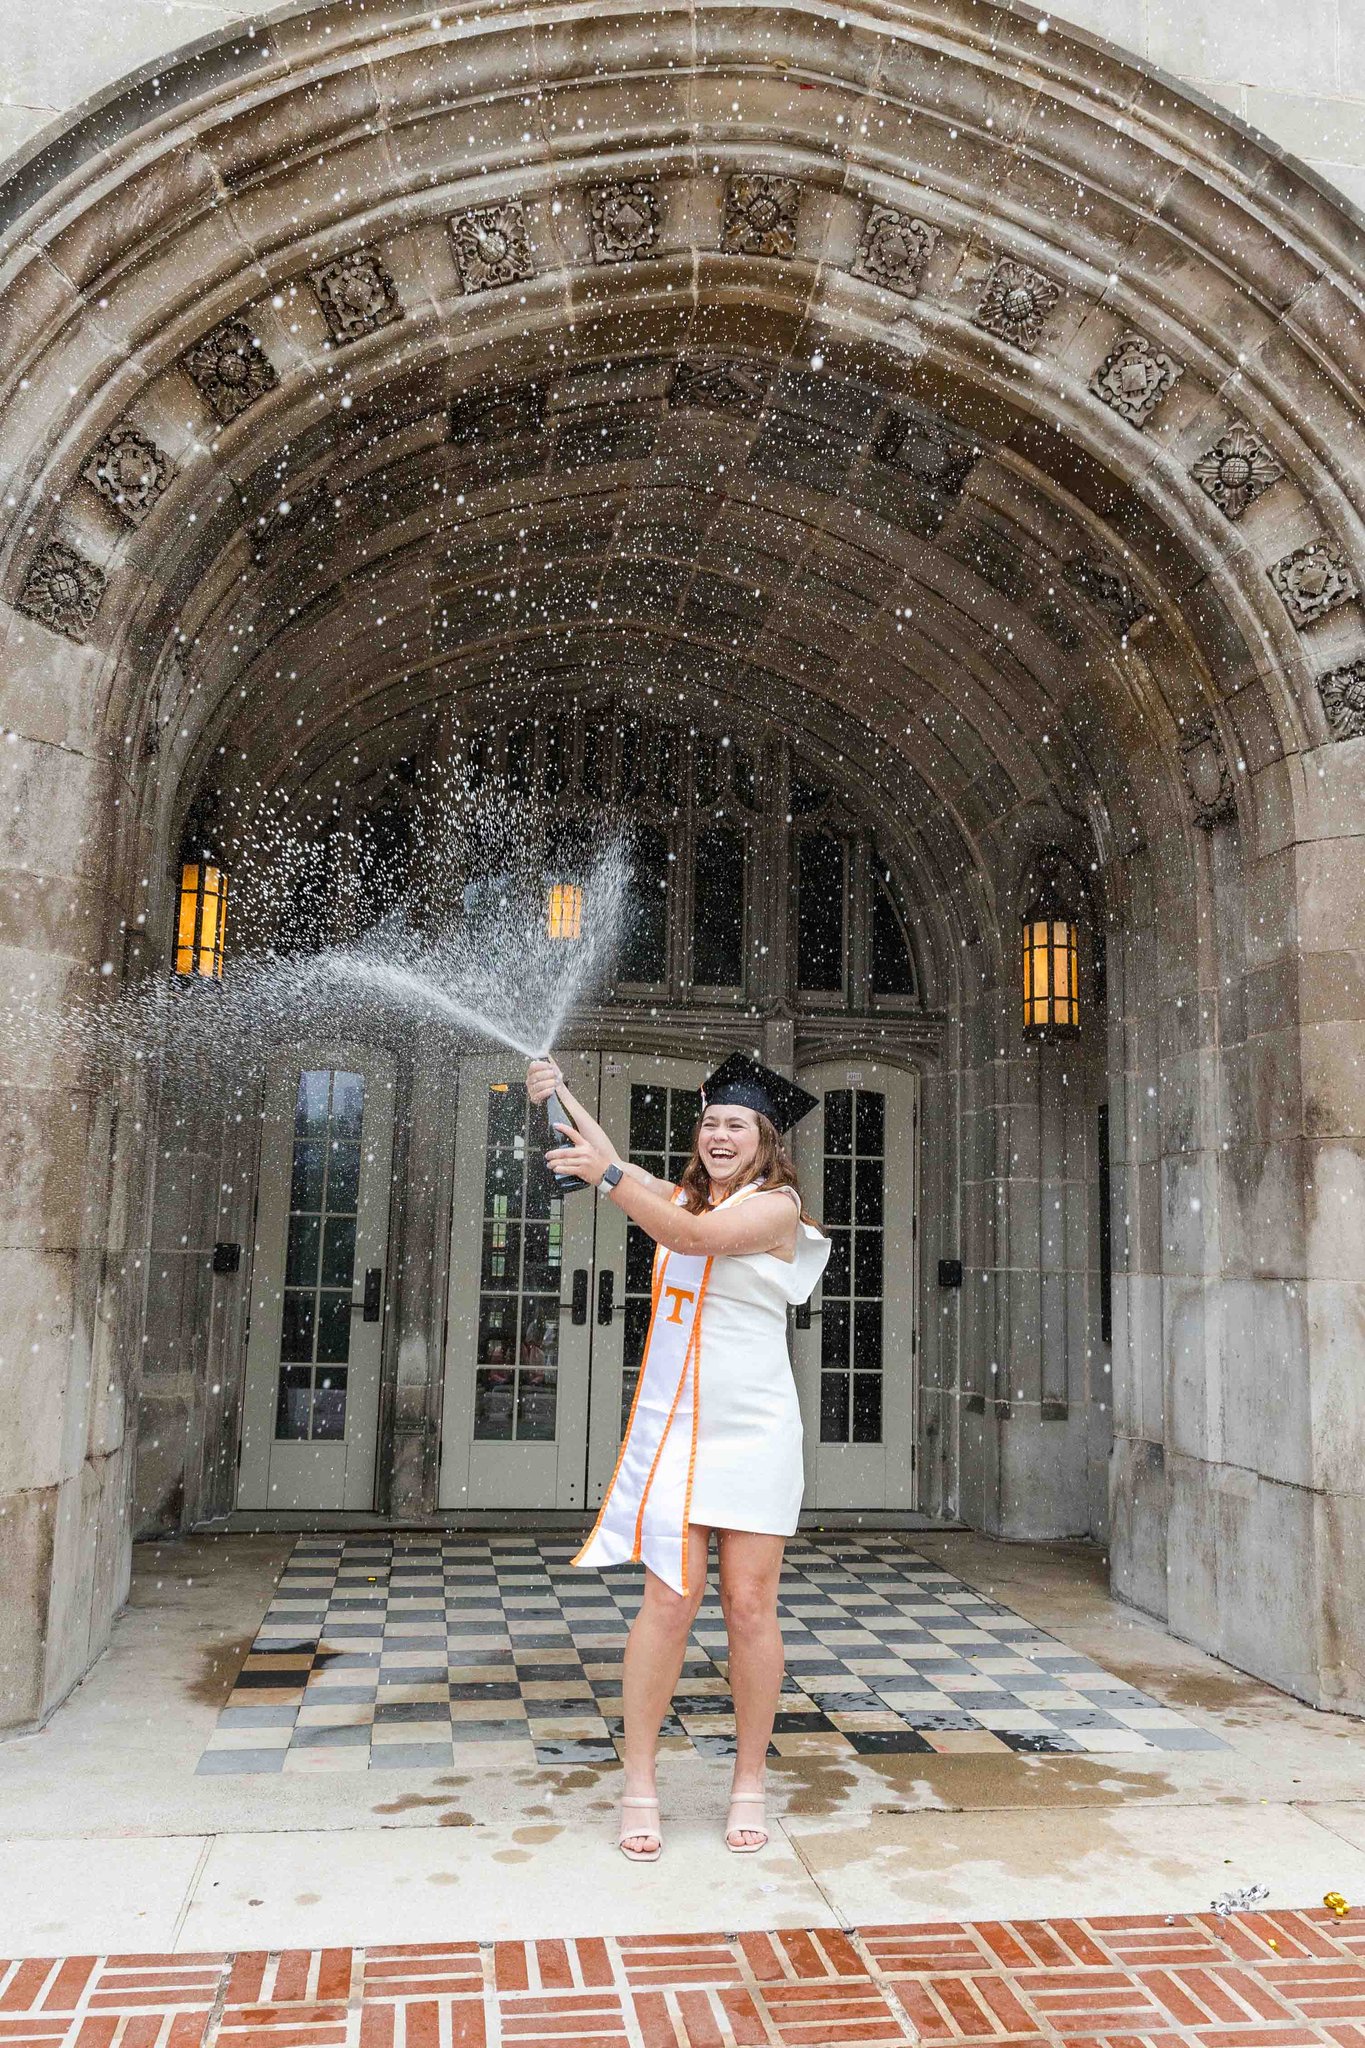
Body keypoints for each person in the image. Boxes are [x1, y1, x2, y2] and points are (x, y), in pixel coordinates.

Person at [526, 1049, 829, 1862]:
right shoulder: (683, 1191)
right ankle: (640, 1786)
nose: (718, 1134)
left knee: (747, 1606)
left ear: (765, 1141)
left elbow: (688, 1235)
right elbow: (622, 1167)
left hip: (755, 1431)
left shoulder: (775, 1209)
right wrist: (560, 1096)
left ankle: (749, 1783)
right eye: (709, 1122)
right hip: (681, 1431)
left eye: (736, 1124)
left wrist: (607, 1179)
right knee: (669, 1601)